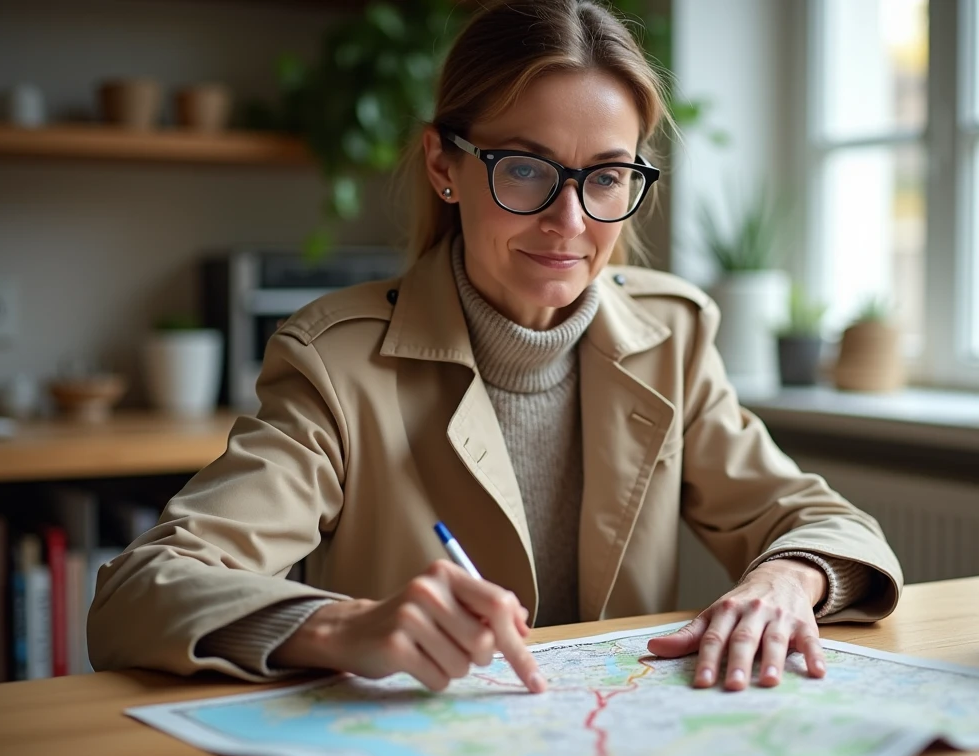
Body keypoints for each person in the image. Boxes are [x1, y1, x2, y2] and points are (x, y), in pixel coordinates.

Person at [88, 0, 902, 695]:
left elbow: (819, 519)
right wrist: (345, 628)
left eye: (608, 176)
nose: (572, 223)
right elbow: (138, 593)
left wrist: (784, 581)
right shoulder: (334, 361)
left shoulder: (673, 335)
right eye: (525, 169)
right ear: (446, 164)